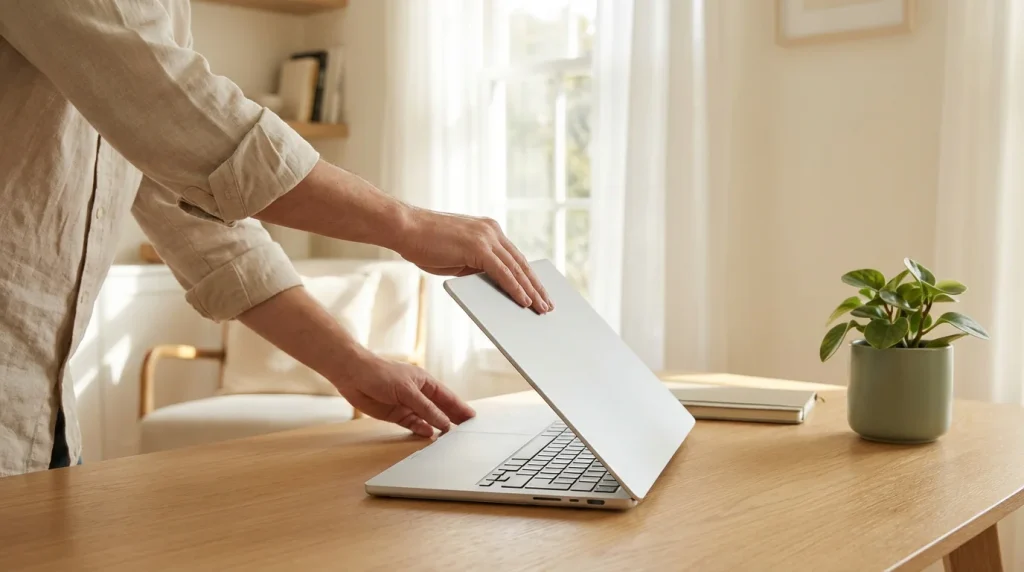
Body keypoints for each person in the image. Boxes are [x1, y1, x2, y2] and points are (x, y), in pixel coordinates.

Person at [0, 1, 553, 477]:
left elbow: (198, 222)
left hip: (39, 416)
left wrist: (354, 365)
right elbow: (196, 128)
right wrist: (408, 226)